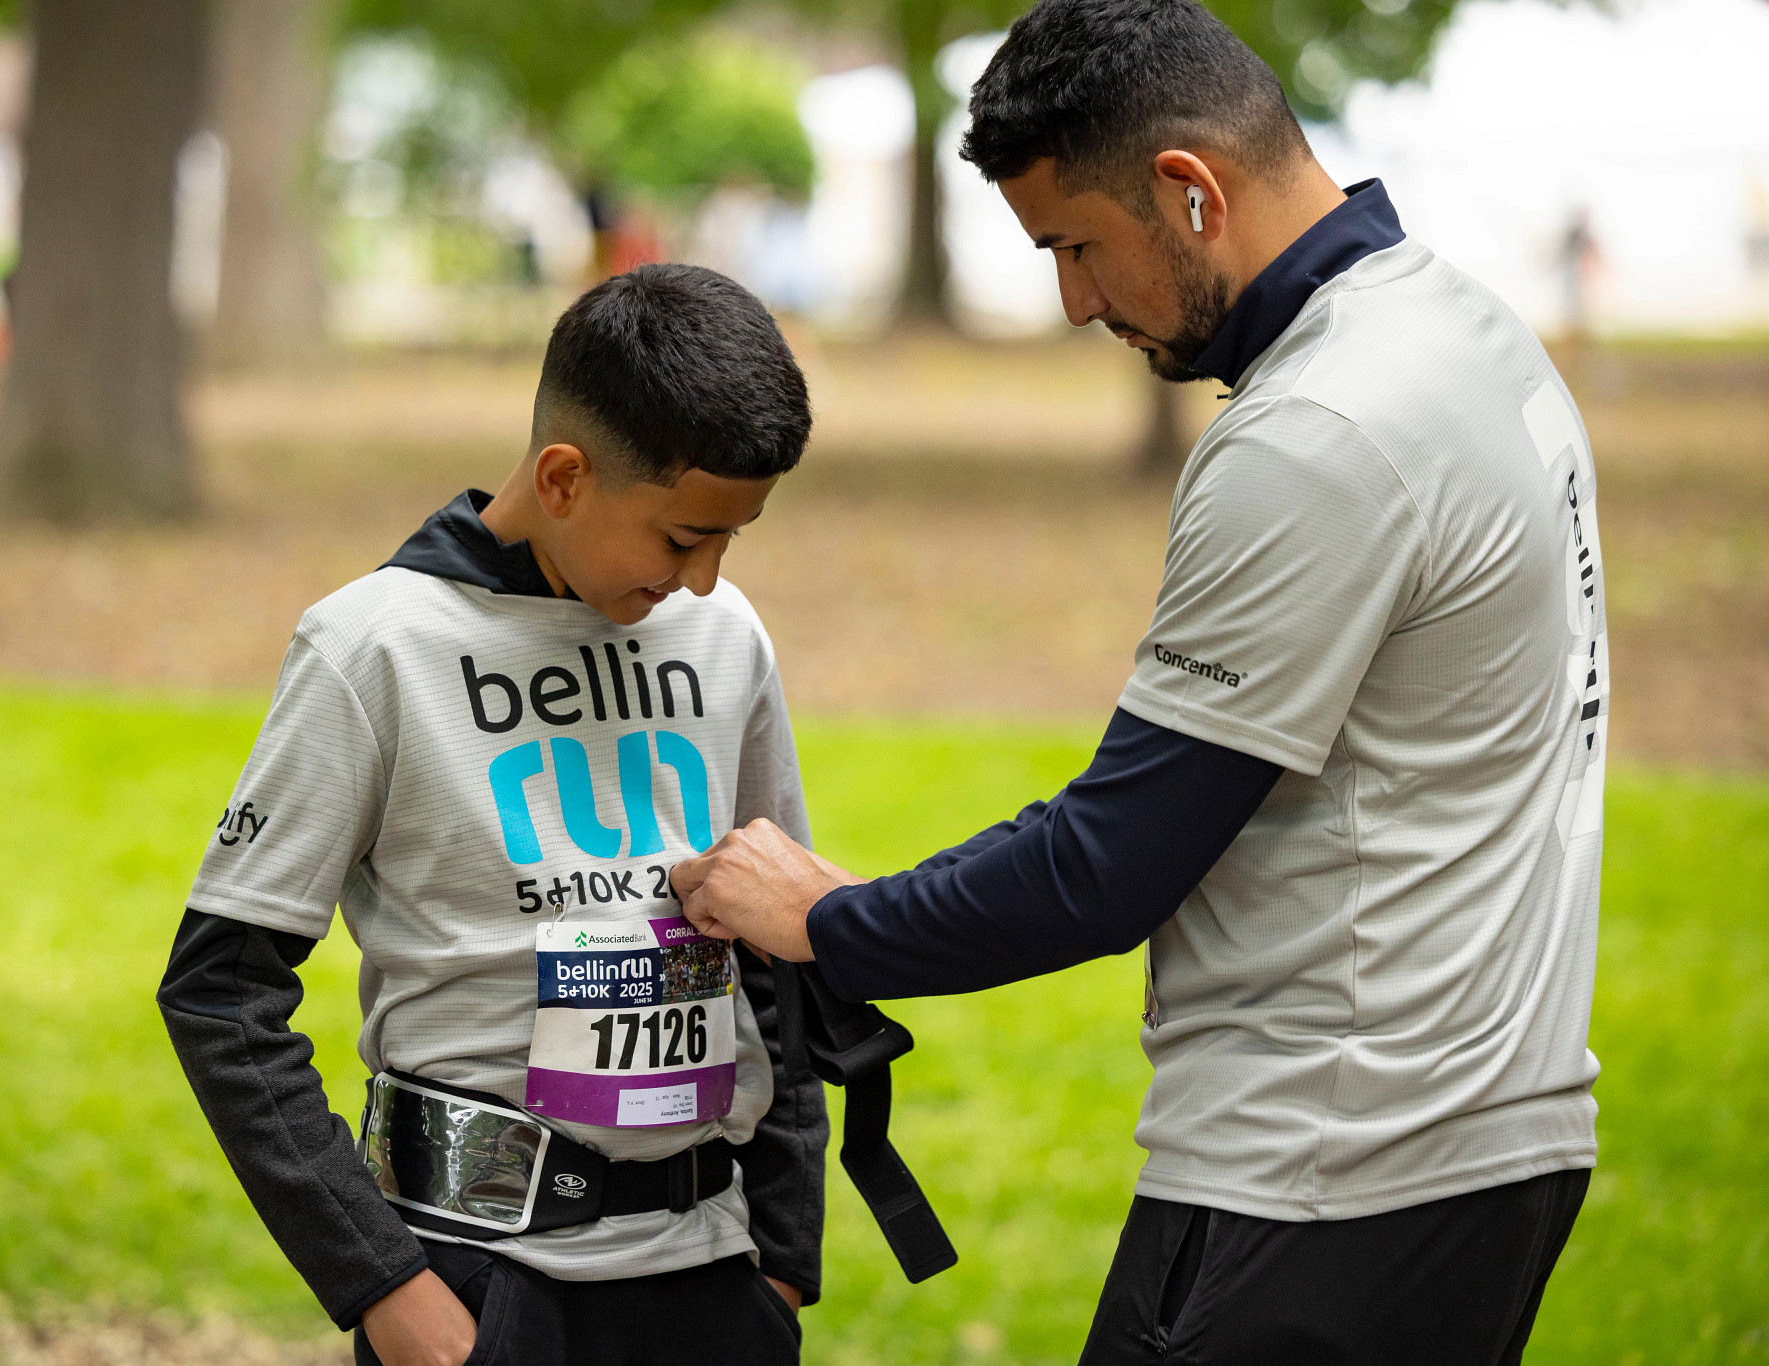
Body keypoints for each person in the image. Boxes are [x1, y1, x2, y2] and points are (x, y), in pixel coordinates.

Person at [670, 2, 1608, 1362]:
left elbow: (1108, 863)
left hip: (1324, 1171)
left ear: (1188, 190)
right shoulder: (1468, 333)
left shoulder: (1318, 430)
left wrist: (832, 919)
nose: (1073, 301)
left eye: (1075, 247)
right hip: (1490, 1142)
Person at [157, 264, 826, 1366]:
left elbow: (778, 944)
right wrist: (385, 1287)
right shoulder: (373, 647)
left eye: (730, 540)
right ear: (562, 476)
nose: (703, 579)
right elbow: (220, 992)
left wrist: (784, 1256)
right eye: (678, 539)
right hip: (477, 1288)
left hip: (713, 1280)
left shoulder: (723, 637)